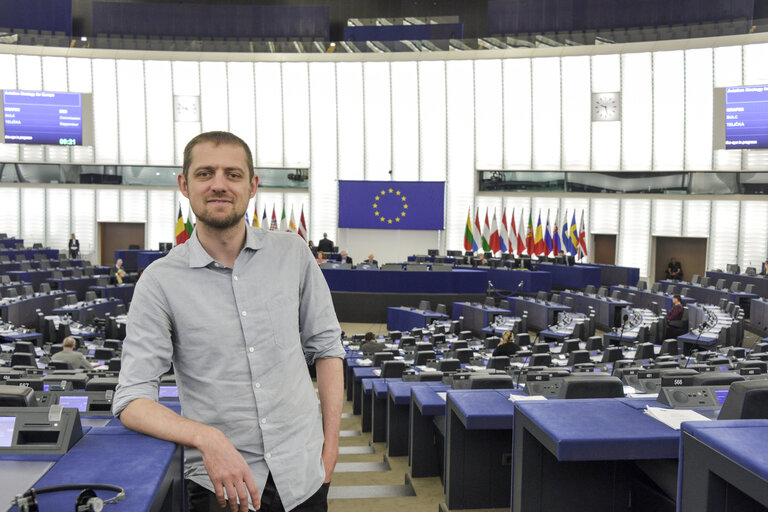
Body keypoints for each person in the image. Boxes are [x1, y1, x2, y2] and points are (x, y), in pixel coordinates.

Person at [112, 131, 345, 512]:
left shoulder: (293, 254)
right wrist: (207, 438)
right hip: (221, 487)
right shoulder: (159, 281)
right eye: (205, 173)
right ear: (184, 185)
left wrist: (332, 445)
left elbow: (327, 349)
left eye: (233, 174)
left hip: (305, 474)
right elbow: (132, 400)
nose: (219, 184)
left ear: (252, 186)